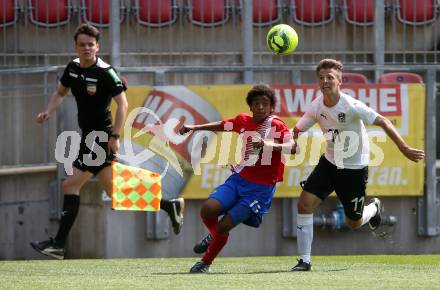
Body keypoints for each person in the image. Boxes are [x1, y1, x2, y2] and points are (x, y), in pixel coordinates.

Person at [30, 24, 184, 260]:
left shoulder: (105, 72)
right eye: (82, 44)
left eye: (91, 44)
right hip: (89, 136)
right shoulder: (72, 68)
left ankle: (58, 244)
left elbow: (123, 104)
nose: (86, 48)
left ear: (97, 46)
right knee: (115, 191)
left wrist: (114, 136)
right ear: (76, 46)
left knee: (70, 186)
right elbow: (60, 92)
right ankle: (169, 205)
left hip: (98, 137)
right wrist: (48, 111)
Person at [291, 59, 425, 271]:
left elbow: (384, 121)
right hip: (329, 162)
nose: (325, 81)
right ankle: (304, 260)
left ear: (340, 81)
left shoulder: (351, 105)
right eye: (322, 78)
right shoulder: (316, 106)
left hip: (353, 169)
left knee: (353, 222)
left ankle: (374, 208)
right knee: (304, 205)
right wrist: (291, 140)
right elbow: (297, 129)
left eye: (330, 78)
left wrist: (403, 147)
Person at [179, 84, 295, 273]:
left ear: (271, 107)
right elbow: (223, 125)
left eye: (264, 104)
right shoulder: (242, 121)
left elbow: (293, 147)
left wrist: (267, 144)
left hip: (261, 188)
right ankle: (214, 235)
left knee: (224, 226)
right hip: (239, 179)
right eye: (256, 103)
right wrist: (194, 127)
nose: (260, 107)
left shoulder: (276, 125)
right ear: (250, 106)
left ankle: (205, 263)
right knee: (208, 210)